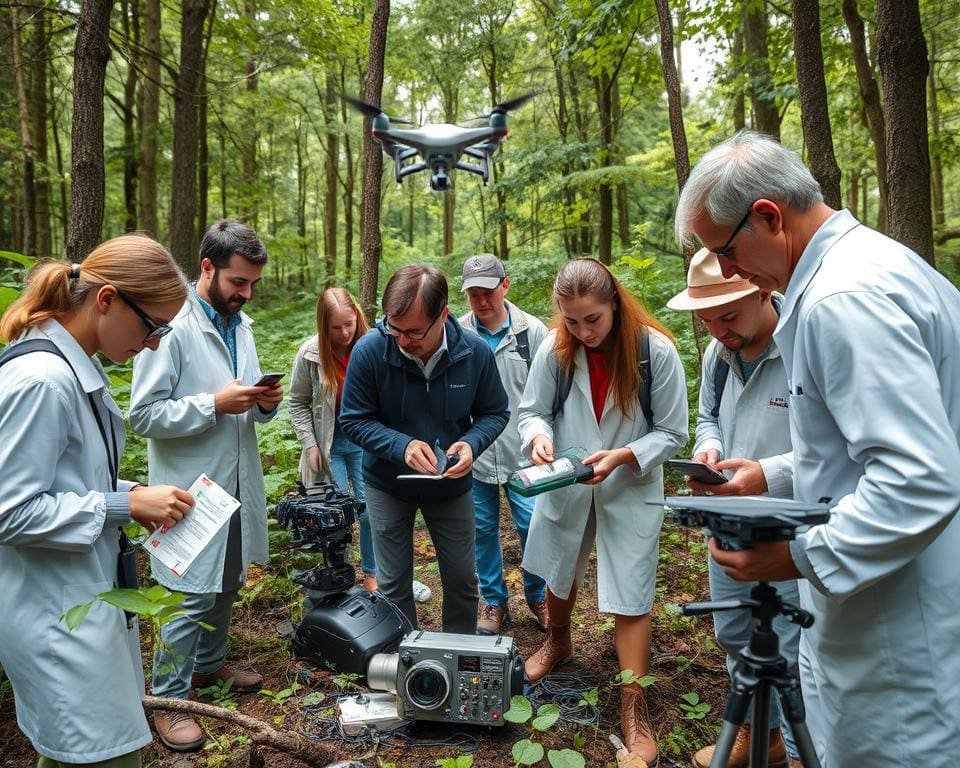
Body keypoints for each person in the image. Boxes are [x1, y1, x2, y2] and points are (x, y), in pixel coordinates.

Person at [675, 131, 960, 768]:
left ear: (769, 216)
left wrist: (798, 556)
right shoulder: (874, 267)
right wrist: (769, 475)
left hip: (896, 640)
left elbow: (918, 479)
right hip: (887, 614)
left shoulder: (843, 300)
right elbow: (860, 453)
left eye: (724, 251)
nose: (730, 272)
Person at [0, 236, 194, 768]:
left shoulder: (72, 365)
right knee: (105, 754)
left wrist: (129, 493)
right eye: (152, 326)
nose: (154, 344)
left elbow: (61, 478)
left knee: (84, 752)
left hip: (78, 597)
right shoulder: (42, 380)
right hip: (53, 612)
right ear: (106, 299)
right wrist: (121, 507)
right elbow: (8, 511)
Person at [518, 258, 688, 768]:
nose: (583, 331)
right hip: (569, 479)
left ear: (614, 301)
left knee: (632, 586)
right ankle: (559, 641)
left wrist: (624, 456)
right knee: (558, 563)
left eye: (592, 319)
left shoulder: (654, 352)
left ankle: (632, 703)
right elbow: (532, 411)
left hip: (629, 484)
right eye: (571, 320)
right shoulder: (556, 348)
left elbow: (674, 432)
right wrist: (539, 437)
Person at [129, 220, 284, 752]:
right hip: (186, 490)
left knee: (226, 582)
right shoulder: (168, 326)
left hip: (236, 483)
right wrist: (212, 405)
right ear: (208, 268)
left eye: (252, 285)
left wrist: (265, 404)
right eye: (238, 282)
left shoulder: (242, 326)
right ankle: (167, 701)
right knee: (186, 596)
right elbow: (144, 415)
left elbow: (252, 405)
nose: (245, 293)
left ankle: (208, 669)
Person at [667, 248, 800, 768]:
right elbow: (708, 418)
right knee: (734, 629)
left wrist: (768, 474)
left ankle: (797, 749)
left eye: (728, 316)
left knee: (791, 645)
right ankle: (758, 734)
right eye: (707, 320)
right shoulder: (717, 355)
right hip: (727, 520)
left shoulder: (803, 343)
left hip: (793, 522)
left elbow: (834, 448)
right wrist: (709, 451)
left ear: (762, 289)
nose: (718, 330)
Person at [339, 263, 509, 633]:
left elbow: (495, 413)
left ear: (444, 315)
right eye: (393, 328)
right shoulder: (370, 351)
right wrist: (401, 445)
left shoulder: (474, 354)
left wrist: (471, 443)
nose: (401, 340)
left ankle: (459, 656)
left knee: (464, 580)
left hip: (450, 485)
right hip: (387, 483)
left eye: (414, 331)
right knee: (393, 583)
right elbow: (352, 420)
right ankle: (407, 660)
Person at [288, 286, 431, 600]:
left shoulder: (374, 346)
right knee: (334, 515)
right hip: (329, 446)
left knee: (371, 512)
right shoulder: (311, 354)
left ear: (358, 318)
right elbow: (297, 402)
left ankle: (373, 575)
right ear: (323, 326)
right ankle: (336, 579)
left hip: (367, 442)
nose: (344, 333)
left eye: (349, 323)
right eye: (336, 327)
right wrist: (309, 444)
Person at [458, 254, 549, 635]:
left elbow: (549, 395)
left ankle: (538, 594)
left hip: (523, 454)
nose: (481, 301)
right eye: (473, 294)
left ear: (505, 286)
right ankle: (493, 601)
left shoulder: (533, 332)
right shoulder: (457, 333)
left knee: (533, 526)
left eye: (488, 292)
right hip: (474, 453)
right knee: (480, 529)